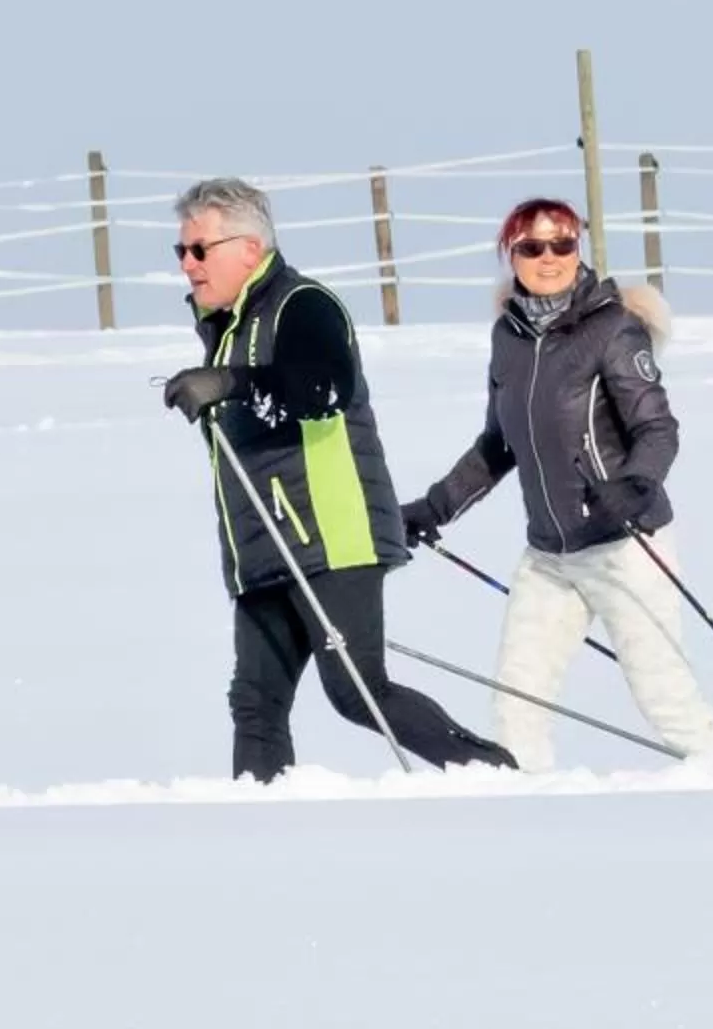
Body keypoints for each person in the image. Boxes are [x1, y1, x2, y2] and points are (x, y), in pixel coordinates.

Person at [158, 177, 517, 783]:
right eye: (181, 252)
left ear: (250, 248)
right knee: (255, 703)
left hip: (331, 536)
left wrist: (230, 384)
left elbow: (320, 389)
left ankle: (492, 774)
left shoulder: (303, 305)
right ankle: (262, 829)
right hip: (263, 550)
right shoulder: (226, 328)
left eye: (199, 250)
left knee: (356, 691)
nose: (188, 266)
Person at [397, 197, 713, 771]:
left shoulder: (614, 329)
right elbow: (498, 444)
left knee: (667, 702)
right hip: (550, 555)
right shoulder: (508, 339)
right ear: (511, 256)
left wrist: (634, 486)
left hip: (624, 545)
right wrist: (432, 508)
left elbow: (657, 428)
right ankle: (529, 818)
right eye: (532, 247)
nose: (549, 257)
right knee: (517, 701)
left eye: (562, 243)